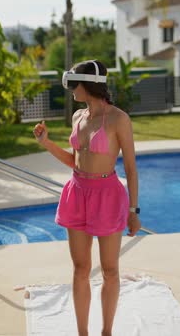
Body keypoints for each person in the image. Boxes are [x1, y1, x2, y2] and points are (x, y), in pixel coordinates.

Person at [33, 60, 141, 336]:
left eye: (73, 84)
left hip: (108, 196)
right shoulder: (78, 117)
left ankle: (106, 332)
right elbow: (75, 161)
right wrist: (46, 143)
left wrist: (133, 210)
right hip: (77, 193)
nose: (71, 90)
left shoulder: (119, 119)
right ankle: (83, 333)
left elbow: (130, 168)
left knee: (110, 270)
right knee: (80, 268)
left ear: (87, 85)